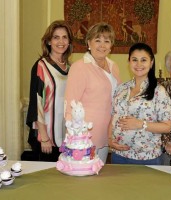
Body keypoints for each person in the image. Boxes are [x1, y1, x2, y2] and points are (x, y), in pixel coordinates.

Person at [64, 22, 121, 163]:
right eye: (97, 40)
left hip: (107, 131)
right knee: (84, 177)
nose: (102, 45)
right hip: (86, 135)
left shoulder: (114, 66)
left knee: (99, 176)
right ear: (89, 43)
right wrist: (75, 136)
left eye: (106, 41)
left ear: (111, 45)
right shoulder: (80, 67)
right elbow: (71, 103)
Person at [108, 43, 171, 165]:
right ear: (129, 62)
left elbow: (167, 126)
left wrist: (140, 124)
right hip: (119, 155)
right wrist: (110, 140)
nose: (138, 64)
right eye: (134, 60)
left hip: (146, 158)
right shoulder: (121, 88)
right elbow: (113, 118)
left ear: (151, 63)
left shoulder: (159, 91)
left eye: (143, 60)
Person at [26, 20, 73, 162]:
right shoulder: (41, 66)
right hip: (46, 137)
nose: (61, 41)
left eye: (65, 37)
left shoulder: (70, 68)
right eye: (56, 37)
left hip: (64, 135)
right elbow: (37, 103)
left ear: (69, 42)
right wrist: (44, 137)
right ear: (48, 41)